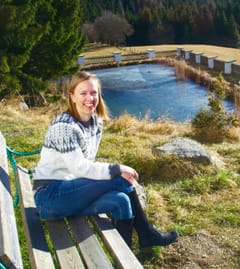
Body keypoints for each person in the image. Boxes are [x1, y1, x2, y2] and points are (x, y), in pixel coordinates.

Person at [32, 70, 178, 248]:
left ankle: (125, 256)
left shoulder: (96, 122)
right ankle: (147, 234)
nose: (89, 98)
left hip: (73, 191)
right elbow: (80, 168)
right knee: (121, 179)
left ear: (99, 94)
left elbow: (87, 165)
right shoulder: (64, 127)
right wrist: (116, 169)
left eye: (93, 92)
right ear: (72, 97)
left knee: (121, 201)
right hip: (51, 196)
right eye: (83, 93)